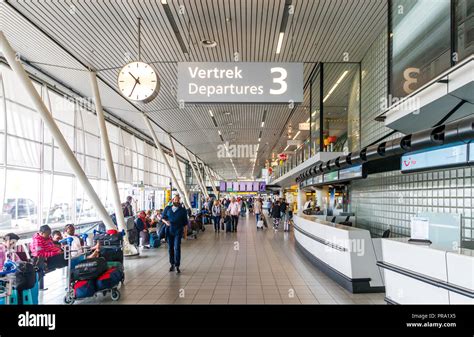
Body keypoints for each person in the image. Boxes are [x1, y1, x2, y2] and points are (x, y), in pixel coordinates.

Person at [162, 195, 188, 274]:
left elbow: (185, 223)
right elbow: (163, 218)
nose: (176, 201)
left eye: (178, 200)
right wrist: (166, 222)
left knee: (177, 247)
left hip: (178, 230)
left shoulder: (182, 210)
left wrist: (185, 234)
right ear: (173, 200)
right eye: (175, 199)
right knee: (170, 248)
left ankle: (177, 265)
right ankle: (172, 264)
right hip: (169, 230)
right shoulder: (167, 209)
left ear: (179, 200)